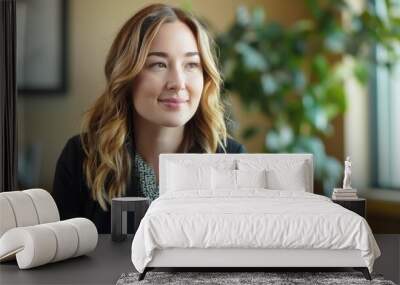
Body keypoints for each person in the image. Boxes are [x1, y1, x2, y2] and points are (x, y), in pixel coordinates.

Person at [52, 4, 246, 233]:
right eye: (158, 64)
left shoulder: (232, 160)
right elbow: (62, 258)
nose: (178, 82)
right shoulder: (81, 157)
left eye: (191, 64)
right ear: (127, 75)